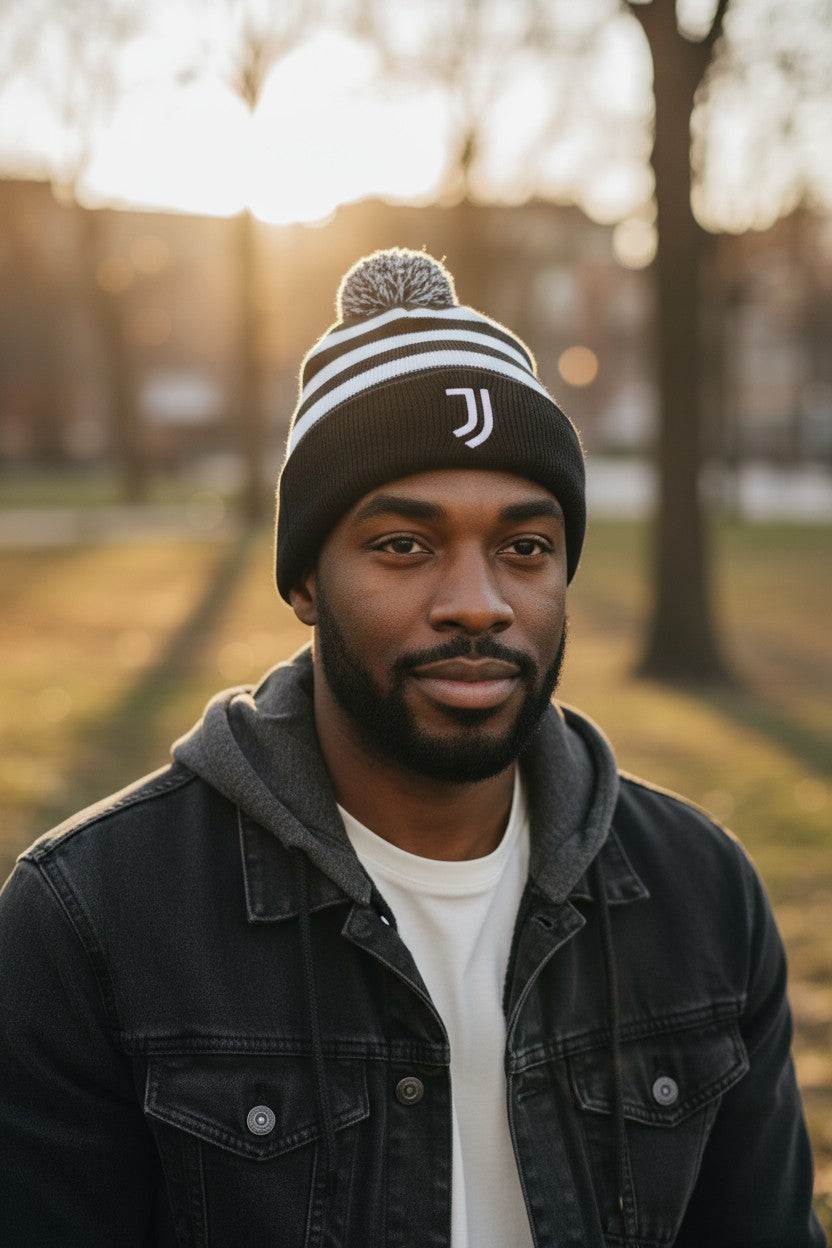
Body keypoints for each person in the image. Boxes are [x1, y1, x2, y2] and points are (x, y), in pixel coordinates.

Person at [0, 247, 824, 1248]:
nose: (476, 602)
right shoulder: (95, 918)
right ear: (304, 582)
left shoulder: (703, 897)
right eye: (403, 545)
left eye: (524, 548)